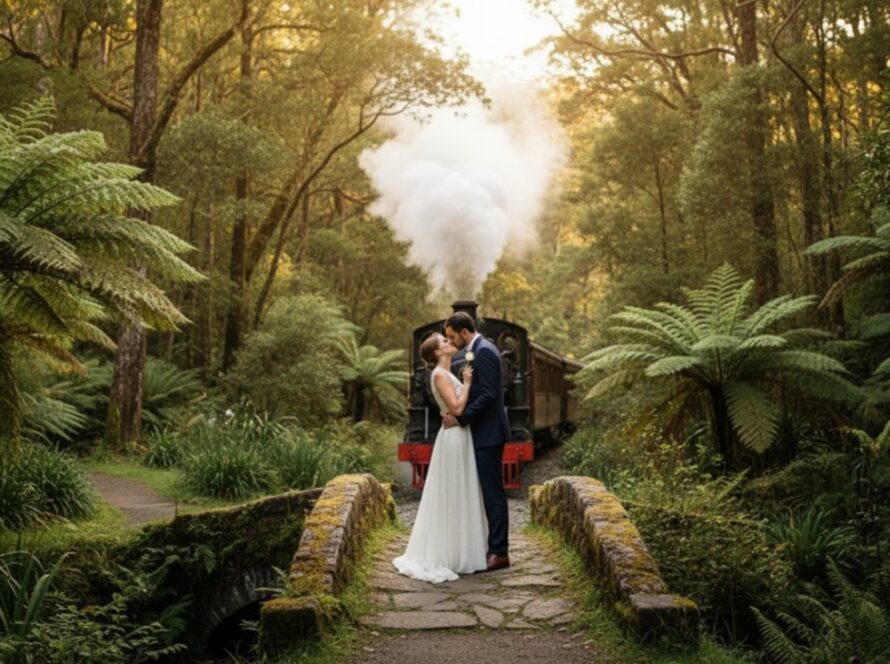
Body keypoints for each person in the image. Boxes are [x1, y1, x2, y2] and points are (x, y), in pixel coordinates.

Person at [392, 333, 488, 582]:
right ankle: (452, 554)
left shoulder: (445, 373)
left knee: (458, 489)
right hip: (454, 436)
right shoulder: (440, 375)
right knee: (455, 490)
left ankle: (459, 548)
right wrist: (467, 383)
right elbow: (456, 409)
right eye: (444, 342)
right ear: (437, 352)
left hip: (457, 434)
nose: (449, 342)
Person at [443, 311, 511, 572]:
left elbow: (489, 395)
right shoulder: (477, 349)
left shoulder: (484, 351)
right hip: (482, 432)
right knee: (486, 492)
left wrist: (461, 418)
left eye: (452, 336)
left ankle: (499, 552)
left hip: (489, 434)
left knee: (493, 494)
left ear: (463, 331)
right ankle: (490, 546)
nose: (451, 341)